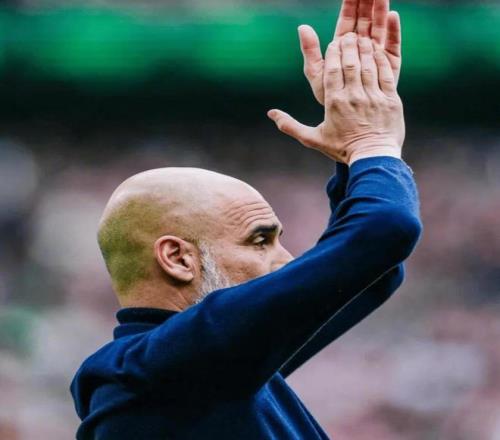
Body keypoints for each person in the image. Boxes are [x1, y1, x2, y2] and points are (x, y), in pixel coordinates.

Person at [70, 0, 422, 438]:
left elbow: (375, 274)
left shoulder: (199, 368)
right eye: (259, 240)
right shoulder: (170, 368)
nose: (285, 258)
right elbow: (386, 230)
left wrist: (354, 155)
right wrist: (372, 142)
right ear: (178, 258)